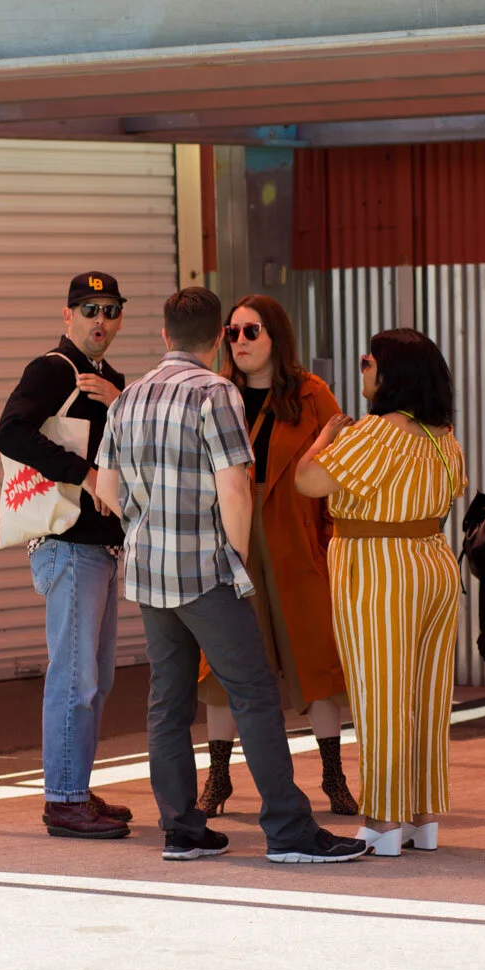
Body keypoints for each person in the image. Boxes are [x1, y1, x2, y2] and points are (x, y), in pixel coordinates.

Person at [94, 287, 366, 864]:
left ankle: (181, 829)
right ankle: (289, 831)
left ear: (166, 335)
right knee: (255, 694)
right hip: (208, 572)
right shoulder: (216, 394)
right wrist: (237, 561)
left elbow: (107, 491)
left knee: (168, 702)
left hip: (149, 575)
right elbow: (235, 488)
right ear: (217, 336)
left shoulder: (129, 398)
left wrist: (150, 528)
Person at [296, 328, 466, 856]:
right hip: (433, 561)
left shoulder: (374, 433)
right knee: (426, 694)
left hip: (378, 566)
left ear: (392, 373)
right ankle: (420, 816)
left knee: (380, 695)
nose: (363, 369)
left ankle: (382, 821)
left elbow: (307, 481)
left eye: (368, 361)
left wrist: (326, 436)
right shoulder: (443, 435)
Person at [197, 294, 359, 819]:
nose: (239, 341)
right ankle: (218, 779)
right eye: (233, 332)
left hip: (297, 540)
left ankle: (333, 777)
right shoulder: (217, 393)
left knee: (315, 663)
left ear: (276, 337)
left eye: (252, 331)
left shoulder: (312, 394)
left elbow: (344, 471)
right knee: (223, 666)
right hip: (234, 537)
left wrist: (330, 542)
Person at [0, 271, 135, 838]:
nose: (100, 320)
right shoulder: (53, 369)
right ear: (68, 314)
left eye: (110, 310)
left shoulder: (107, 377)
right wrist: (86, 474)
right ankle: (64, 799)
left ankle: (75, 784)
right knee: (74, 677)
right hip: (67, 544)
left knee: (95, 678)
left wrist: (121, 403)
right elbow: (10, 433)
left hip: (97, 547)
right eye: (89, 309)